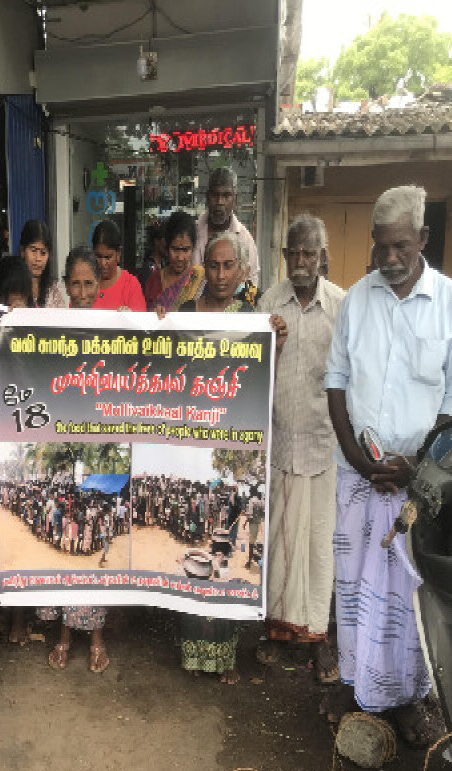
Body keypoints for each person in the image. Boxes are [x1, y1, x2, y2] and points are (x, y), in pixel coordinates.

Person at [324, 185, 452, 745]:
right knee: (354, 585)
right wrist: (357, 458)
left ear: (423, 240)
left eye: (401, 247)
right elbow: (336, 381)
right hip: (358, 477)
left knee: (408, 594)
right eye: (381, 247)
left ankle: (408, 699)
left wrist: (416, 463)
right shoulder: (358, 299)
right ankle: (353, 682)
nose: (389, 259)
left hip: (421, 483)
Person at [175, 232, 285, 683]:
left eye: (228, 267)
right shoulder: (183, 313)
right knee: (194, 550)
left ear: (241, 271)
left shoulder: (253, 319)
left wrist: (275, 341)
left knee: (222, 558)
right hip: (187, 444)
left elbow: (264, 377)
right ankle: (191, 650)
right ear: (204, 266)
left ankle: (224, 656)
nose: (220, 276)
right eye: (213, 266)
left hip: (231, 444)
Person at [256, 215, 344, 683]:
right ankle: (277, 631)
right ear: (284, 255)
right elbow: (250, 368)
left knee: (318, 544)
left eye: (309, 254)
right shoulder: (269, 303)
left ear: (322, 256)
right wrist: (269, 344)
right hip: (279, 441)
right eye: (293, 254)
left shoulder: (340, 306)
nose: (301, 263)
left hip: (324, 444)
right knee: (278, 542)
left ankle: (318, 638)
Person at [38, 246, 110, 674]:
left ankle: (97, 635)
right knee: (66, 543)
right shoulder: (49, 327)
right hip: (64, 446)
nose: (82, 291)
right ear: (64, 286)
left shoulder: (114, 324)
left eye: (89, 283)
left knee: (93, 537)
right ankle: (64, 633)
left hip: (101, 447)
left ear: (97, 285)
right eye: (75, 283)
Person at [193, 167, 259, 285]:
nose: (220, 202)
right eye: (215, 195)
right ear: (207, 198)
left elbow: (251, 282)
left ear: (235, 199)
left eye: (226, 196)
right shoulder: (193, 233)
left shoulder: (244, 239)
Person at [144, 210, 205, 312]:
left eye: (185, 250)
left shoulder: (201, 279)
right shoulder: (154, 281)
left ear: (193, 249)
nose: (180, 257)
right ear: (167, 247)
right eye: (175, 249)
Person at [91, 219, 146, 311]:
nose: (103, 263)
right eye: (98, 256)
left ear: (118, 253)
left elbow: (140, 322)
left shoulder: (130, 286)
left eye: (108, 257)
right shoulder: (86, 282)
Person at [19, 219, 65, 308]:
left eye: (43, 252)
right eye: (33, 250)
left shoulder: (53, 290)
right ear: (22, 251)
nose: (38, 259)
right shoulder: (13, 286)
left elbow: (61, 320)